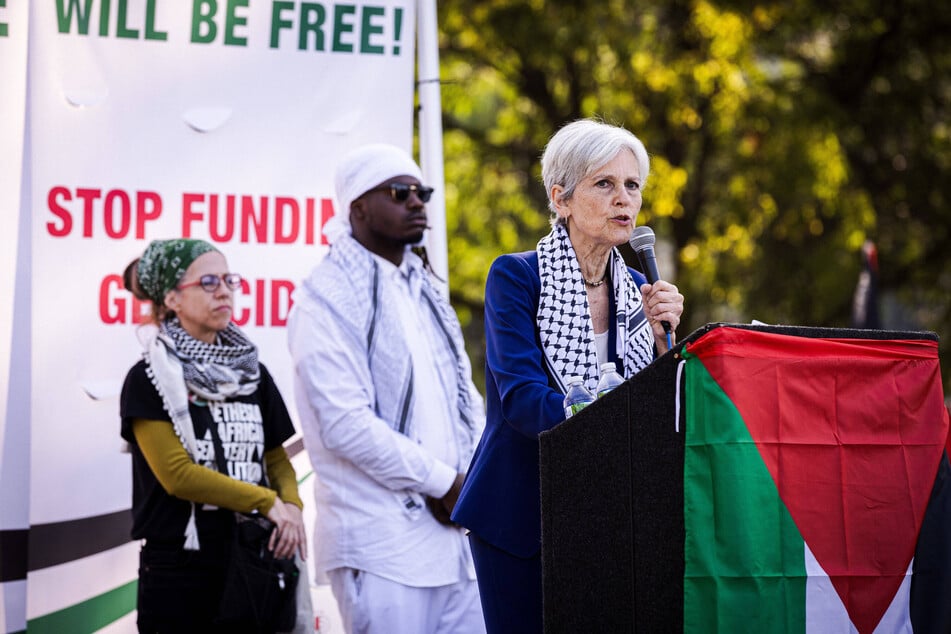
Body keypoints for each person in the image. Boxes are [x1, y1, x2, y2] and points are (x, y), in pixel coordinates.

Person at [451, 119, 685, 633]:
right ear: (561, 198)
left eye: (632, 185)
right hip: (522, 515)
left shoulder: (639, 291)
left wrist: (667, 340)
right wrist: (601, 414)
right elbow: (521, 399)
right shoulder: (516, 276)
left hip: (609, 515)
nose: (623, 198)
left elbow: (660, 406)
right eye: (604, 184)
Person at [287, 143, 487, 634]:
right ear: (357, 207)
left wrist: (480, 477)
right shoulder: (325, 298)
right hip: (381, 546)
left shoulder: (424, 289)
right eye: (400, 192)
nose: (417, 202)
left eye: (422, 192)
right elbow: (345, 426)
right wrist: (446, 482)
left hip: (457, 543)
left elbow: (465, 399)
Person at [119, 238, 307, 633]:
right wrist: (266, 501)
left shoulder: (252, 372)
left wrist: (291, 507)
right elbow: (177, 475)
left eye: (228, 279)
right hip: (181, 572)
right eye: (208, 281)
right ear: (172, 299)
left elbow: (275, 458)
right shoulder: (147, 379)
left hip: (253, 560)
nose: (224, 290)